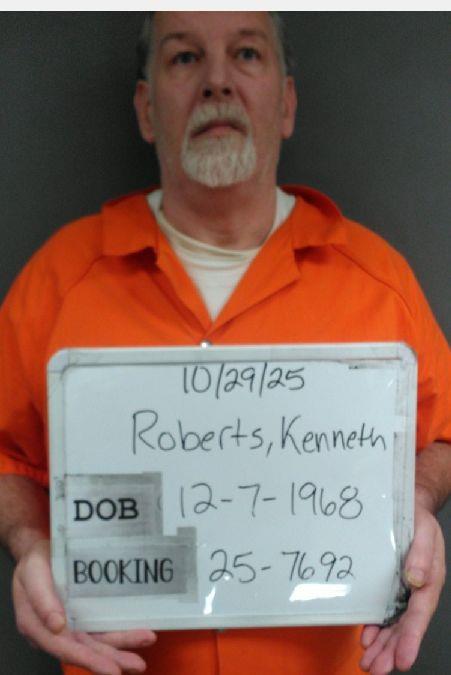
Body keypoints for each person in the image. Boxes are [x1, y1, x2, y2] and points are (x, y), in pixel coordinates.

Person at [0, 11, 449, 675]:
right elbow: (7, 454)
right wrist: (30, 540)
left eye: (246, 54)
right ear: (146, 109)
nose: (217, 80)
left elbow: (442, 437)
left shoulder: (377, 280)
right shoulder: (59, 280)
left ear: (286, 103)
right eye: (184, 58)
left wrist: (416, 503)